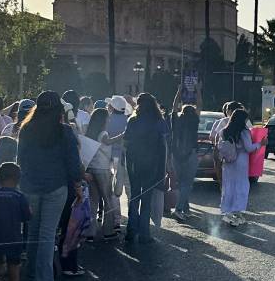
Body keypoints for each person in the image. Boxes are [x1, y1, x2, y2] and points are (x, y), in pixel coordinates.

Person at [16, 92, 85, 281]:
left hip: (30, 186)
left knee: (34, 235)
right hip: (56, 186)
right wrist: (78, 186)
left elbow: (21, 159)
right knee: (47, 236)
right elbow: (73, 164)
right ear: (58, 111)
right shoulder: (64, 132)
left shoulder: (26, 129)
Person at [123, 93, 170, 245]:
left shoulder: (133, 120)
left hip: (134, 163)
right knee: (146, 199)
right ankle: (144, 233)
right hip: (152, 163)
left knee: (134, 197)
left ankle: (131, 231)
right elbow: (164, 144)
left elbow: (126, 142)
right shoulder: (159, 120)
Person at [217, 106, 265, 227]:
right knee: (241, 186)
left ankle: (227, 212)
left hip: (227, 162)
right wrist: (260, 144)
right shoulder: (244, 131)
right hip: (241, 162)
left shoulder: (224, 130)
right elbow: (249, 148)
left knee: (228, 186)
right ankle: (237, 213)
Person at [82, 107, 119, 239]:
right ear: (103, 120)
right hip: (102, 169)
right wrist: (123, 135)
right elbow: (107, 141)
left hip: (91, 168)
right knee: (107, 199)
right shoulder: (104, 133)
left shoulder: (90, 132)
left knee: (93, 201)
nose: (109, 120)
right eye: (107, 117)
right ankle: (108, 231)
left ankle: (89, 232)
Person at [170, 102, 200, 221]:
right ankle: (178, 209)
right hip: (190, 154)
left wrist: (179, 91)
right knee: (187, 183)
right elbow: (200, 104)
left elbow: (173, 108)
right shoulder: (194, 122)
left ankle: (186, 209)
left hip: (176, 155)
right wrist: (198, 89)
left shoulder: (176, 121)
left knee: (182, 182)